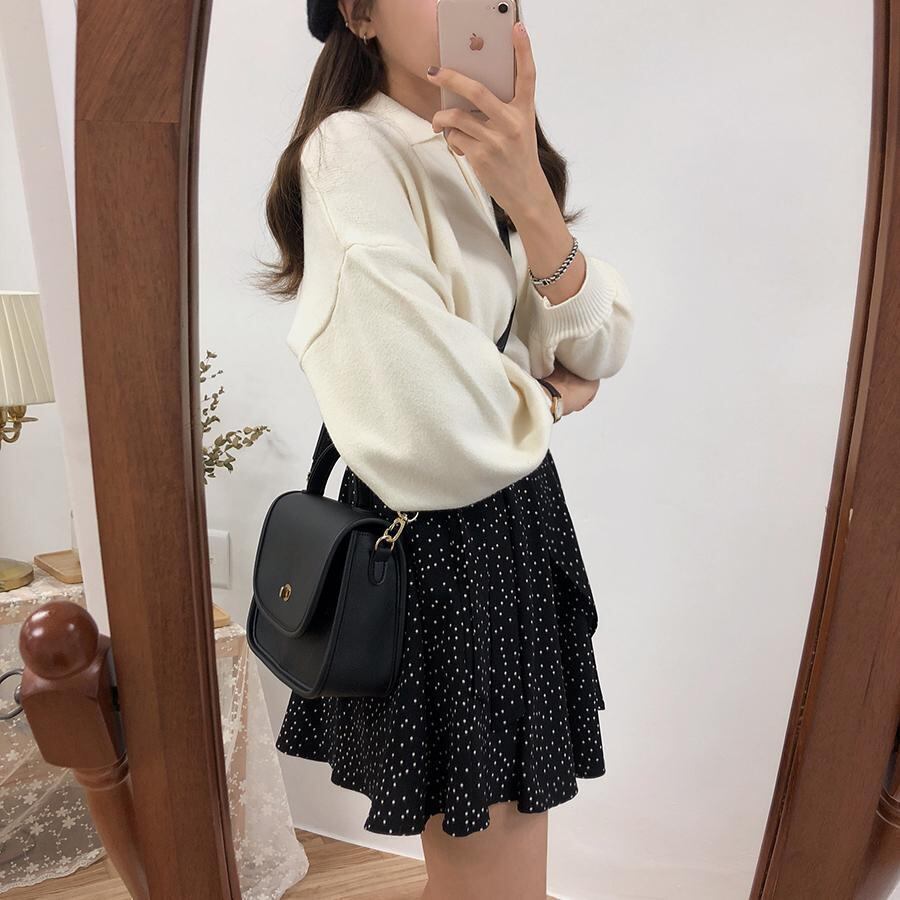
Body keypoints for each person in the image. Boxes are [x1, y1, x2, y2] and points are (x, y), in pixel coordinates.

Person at [256, 1, 635, 896]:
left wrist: (528, 193)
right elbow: (436, 422)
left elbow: (602, 344)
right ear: (358, 13)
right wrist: (548, 397)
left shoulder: (487, 155)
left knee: (499, 860)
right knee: (490, 865)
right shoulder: (352, 150)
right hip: (440, 547)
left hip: (516, 525)